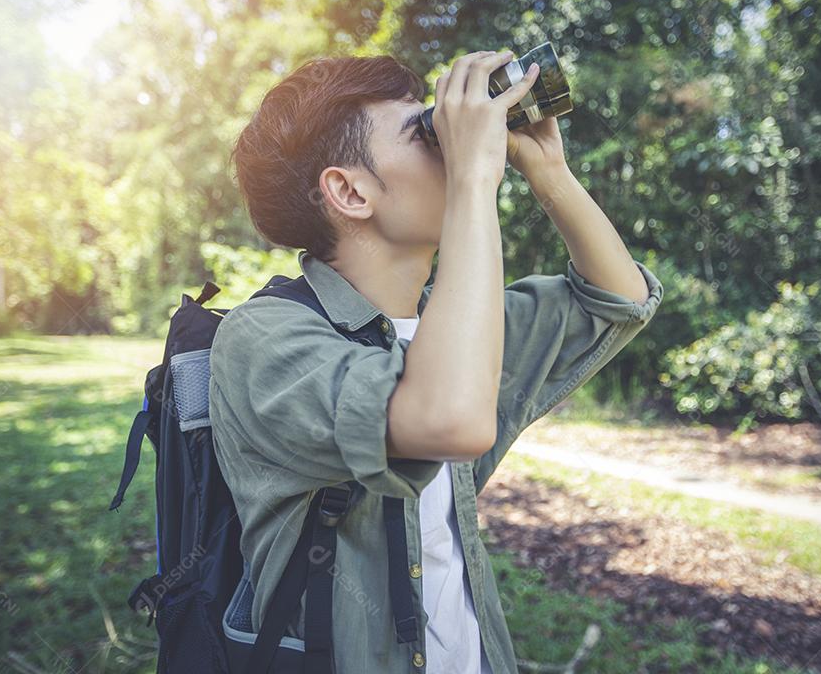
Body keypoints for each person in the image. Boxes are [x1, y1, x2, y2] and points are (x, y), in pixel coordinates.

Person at [209, 49, 663, 673]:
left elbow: (617, 299)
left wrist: (550, 173)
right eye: (424, 130)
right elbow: (451, 419)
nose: (451, 142)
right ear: (349, 191)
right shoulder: (263, 337)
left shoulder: (452, 325)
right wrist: (475, 180)